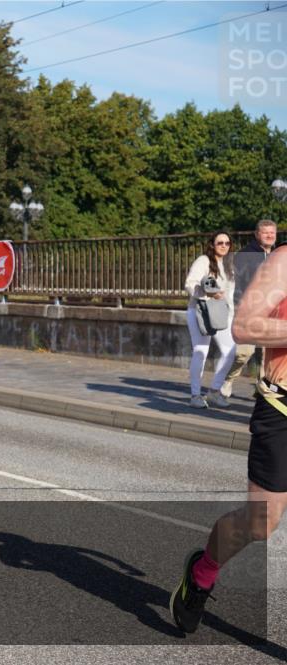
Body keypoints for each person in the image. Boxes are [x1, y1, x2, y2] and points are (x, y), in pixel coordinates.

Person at [170, 244, 287, 634]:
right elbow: (245, 326)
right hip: (282, 409)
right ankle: (203, 572)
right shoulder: (284, 261)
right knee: (259, 524)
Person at [223, 220, 279, 398]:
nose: (269, 236)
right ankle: (226, 382)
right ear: (257, 235)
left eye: (272, 233)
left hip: (270, 312)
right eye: (265, 233)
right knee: (243, 353)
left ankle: (262, 391)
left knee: (265, 356)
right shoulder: (246, 255)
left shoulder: (278, 254)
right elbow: (244, 281)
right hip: (248, 311)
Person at [184, 231, 236, 409]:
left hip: (222, 314)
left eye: (227, 243)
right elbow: (190, 283)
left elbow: (231, 293)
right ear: (212, 244)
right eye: (220, 242)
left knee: (230, 351)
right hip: (201, 312)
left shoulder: (229, 265)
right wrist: (209, 293)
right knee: (201, 351)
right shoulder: (204, 261)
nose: (223, 246)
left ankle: (214, 392)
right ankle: (195, 395)